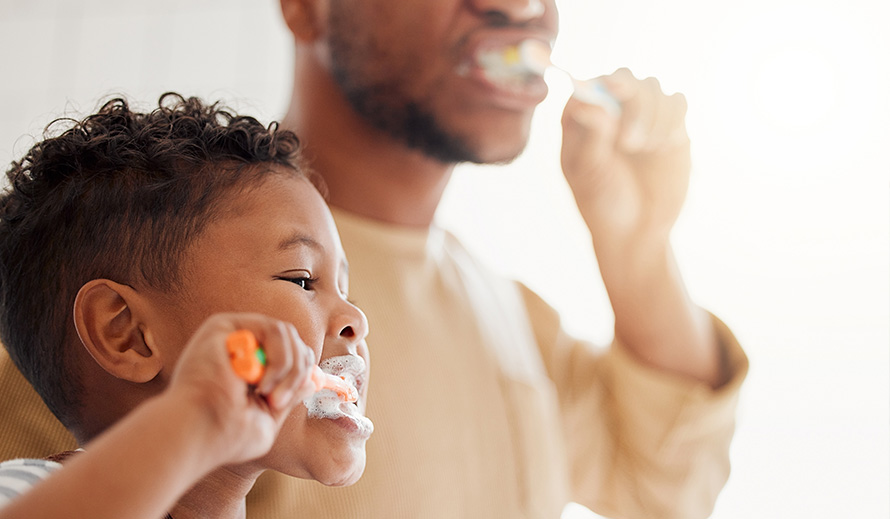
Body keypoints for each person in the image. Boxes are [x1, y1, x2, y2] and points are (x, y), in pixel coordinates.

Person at [0, 1, 749, 518]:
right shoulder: (125, 276)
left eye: (341, 284)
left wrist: (637, 247)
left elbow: (664, 487)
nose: (520, 9)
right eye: (300, 279)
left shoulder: (512, 314)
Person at [0, 94, 373, 518]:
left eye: (346, 293)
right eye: (302, 280)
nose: (356, 319)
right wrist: (192, 420)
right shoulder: (34, 494)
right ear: (128, 333)